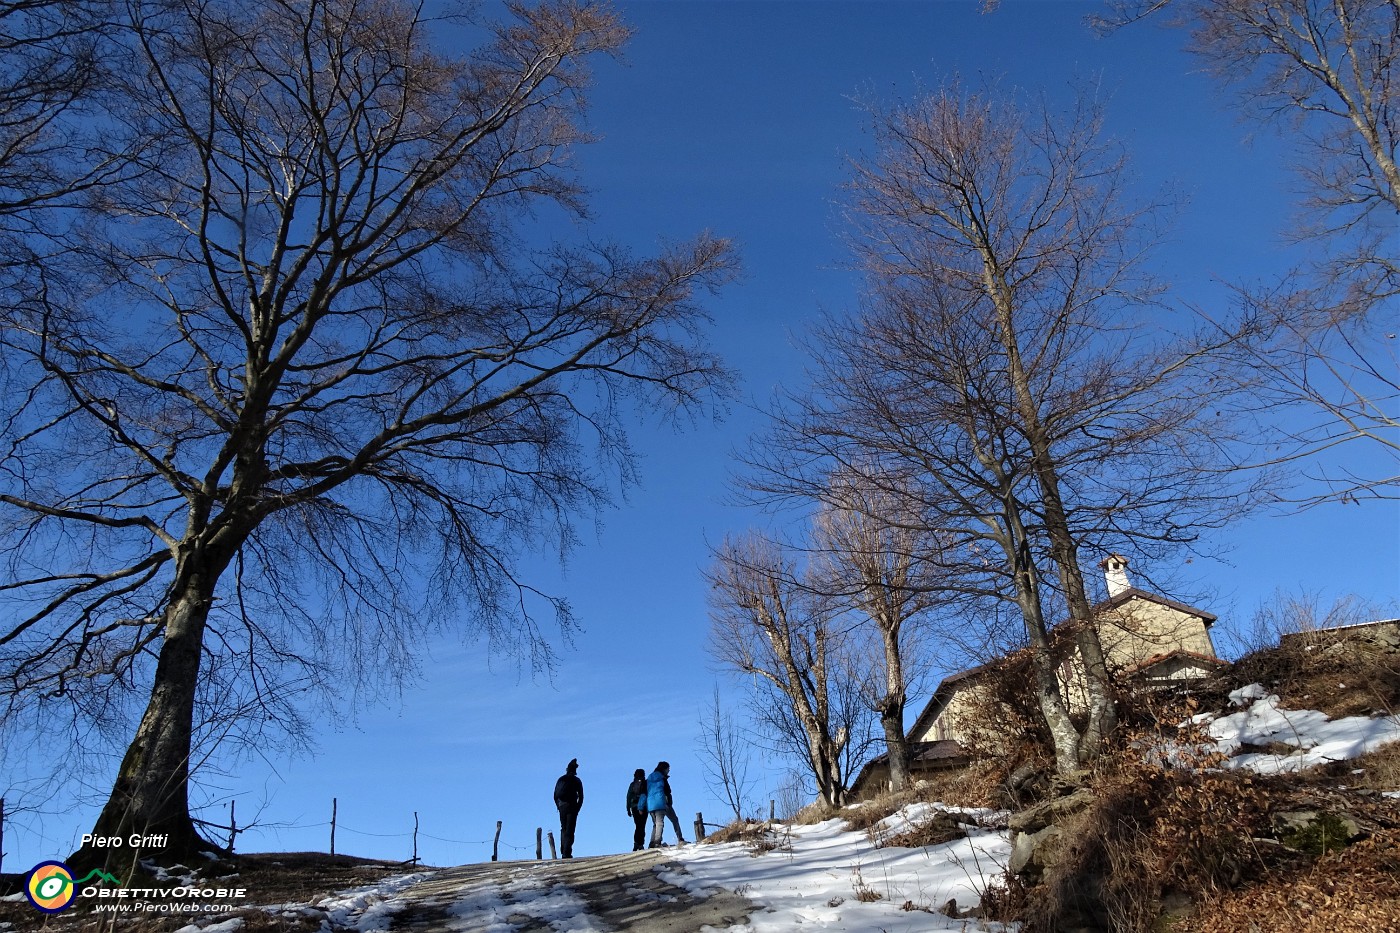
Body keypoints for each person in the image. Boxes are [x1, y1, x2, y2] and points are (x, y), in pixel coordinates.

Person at [645, 760, 687, 848]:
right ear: (664, 769)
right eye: (668, 769)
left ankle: (652, 843)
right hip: (662, 802)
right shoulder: (662, 777)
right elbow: (668, 790)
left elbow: (645, 791)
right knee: (672, 820)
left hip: (650, 804)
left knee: (655, 824)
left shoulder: (649, 778)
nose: (669, 770)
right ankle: (678, 839)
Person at [553, 758, 584, 858]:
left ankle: (563, 850)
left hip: (562, 807)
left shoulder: (560, 779)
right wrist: (577, 808)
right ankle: (566, 852)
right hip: (572, 807)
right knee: (570, 830)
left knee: (563, 828)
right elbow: (581, 796)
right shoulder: (576, 780)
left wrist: (559, 806)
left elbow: (554, 796)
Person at [625, 768, 649, 851]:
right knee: (642, 826)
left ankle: (636, 843)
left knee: (638, 825)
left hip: (634, 806)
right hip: (644, 807)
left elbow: (628, 796)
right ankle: (641, 844)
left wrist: (628, 808)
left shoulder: (632, 784)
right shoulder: (646, 783)